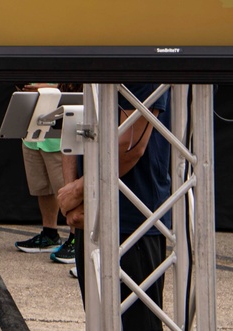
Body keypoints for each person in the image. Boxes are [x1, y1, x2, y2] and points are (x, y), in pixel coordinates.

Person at [58, 83, 171, 329]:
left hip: (132, 221)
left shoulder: (141, 59)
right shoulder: (90, 59)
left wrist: (77, 192)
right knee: (99, 322)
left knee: (136, 323)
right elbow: (73, 127)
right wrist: (73, 200)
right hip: (90, 218)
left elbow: (130, 147)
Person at [13, 83, 77, 265]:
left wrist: (50, 86)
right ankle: (49, 233)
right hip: (33, 124)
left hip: (59, 124)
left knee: (66, 187)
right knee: (42, 186)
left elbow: (77, 82)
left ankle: (76, 238)